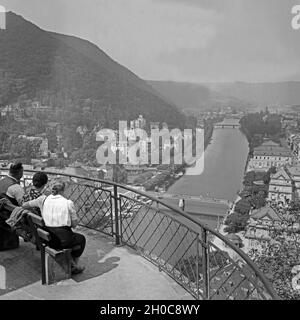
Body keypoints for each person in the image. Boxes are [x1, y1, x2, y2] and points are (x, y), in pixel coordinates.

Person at [22, 180, 86, 274]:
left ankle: (72, 265)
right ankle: (73, 266)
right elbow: (74, 224)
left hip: (47, 239)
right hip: (63, 240)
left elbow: (24, 205)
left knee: (72, 238)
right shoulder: (68, 203)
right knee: (81, 239)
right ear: (62, 190)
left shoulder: (43, 199)